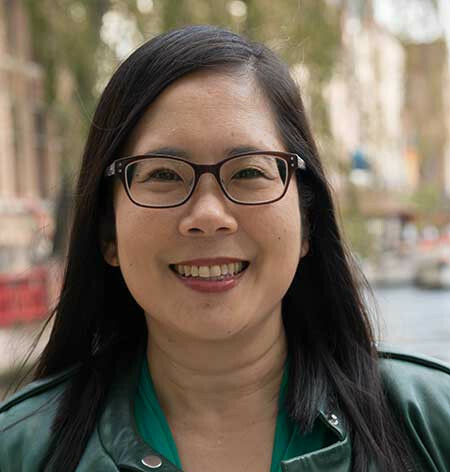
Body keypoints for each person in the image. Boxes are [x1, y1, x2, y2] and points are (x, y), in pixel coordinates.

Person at [0, 25, 449, 472]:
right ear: (108, 232)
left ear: (307, 221)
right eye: (164, 174)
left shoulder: (430, 423)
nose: (209, 214)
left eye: (249, 172)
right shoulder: (21, 450)